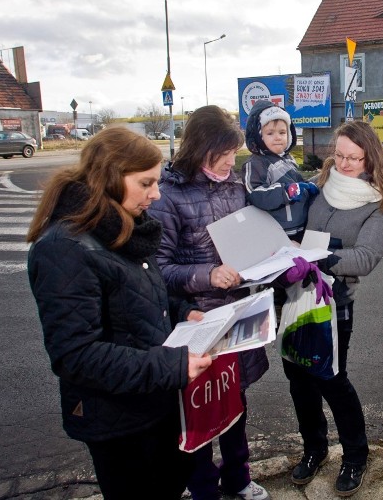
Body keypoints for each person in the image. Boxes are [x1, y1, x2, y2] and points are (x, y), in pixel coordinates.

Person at [26, 127, 212, 500]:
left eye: (157, 182)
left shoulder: (123, 226)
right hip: (118, 420)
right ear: (110, 177)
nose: (156, 194)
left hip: (153, 402)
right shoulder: (65, 249)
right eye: (146, 183)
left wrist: (182, 312)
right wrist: (170, 367)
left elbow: (138, 298)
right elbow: (76, 355)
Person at [147, 106, 270, 500]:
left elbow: (249, 236)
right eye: (225, 154)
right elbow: (157, 269)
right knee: (197, 409)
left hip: (236, 311)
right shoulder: (168, 195)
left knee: (235, 402)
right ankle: (203, 488)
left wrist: (269, 258)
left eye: (235, 154)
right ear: (202, 148)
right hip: (196, 317)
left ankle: (239, 477)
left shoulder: (236, 185)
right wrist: (207, 274)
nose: (232, 162)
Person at [284, 121, 383, 497]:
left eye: (354, 157)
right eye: (339, 154)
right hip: (295, 298)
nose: (345, 163)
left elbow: (366, 257)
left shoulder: (380, 202)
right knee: (298, 381)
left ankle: (355, 455)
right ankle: (315, 449)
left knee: (331, 381)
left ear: (370, 156)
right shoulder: (322, 184)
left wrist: (320, 258)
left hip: (335, 303)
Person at [242, 100, 319, 242]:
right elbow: (255, 194)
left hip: (300, 228)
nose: (277, 137)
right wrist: (286, 192)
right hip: (275, 233)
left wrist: (308, 187)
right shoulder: (255, 163)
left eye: (282, 132)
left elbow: (296, 186)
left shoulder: (289, 159)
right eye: (270, 133)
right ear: (258, 136)